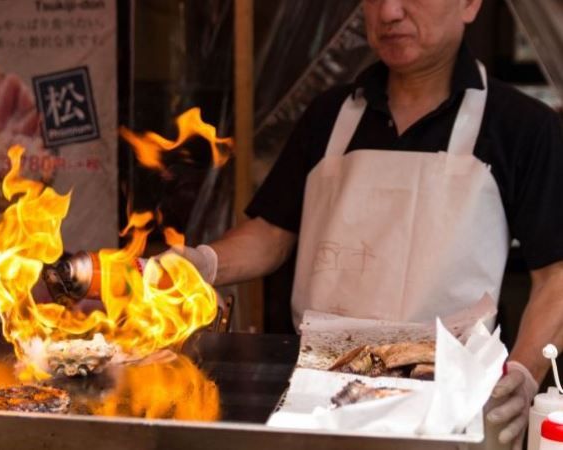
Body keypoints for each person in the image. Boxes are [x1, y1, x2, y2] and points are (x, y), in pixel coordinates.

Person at [173, 1, 563, 448]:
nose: (389, 12)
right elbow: (271, 234)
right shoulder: (329, 116)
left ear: (470, 4)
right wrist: (201, 263)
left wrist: (524, 372)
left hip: (450, 406)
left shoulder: (521, 126)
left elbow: (556, 275)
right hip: (318, 396)